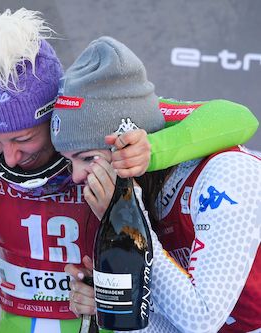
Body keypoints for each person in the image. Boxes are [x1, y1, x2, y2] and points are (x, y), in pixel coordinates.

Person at [0, 9, 258, 333]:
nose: (9, 157)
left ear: (53, 115)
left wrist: (150, 153)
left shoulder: (99, 118)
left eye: (23, 140)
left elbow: (236, 118)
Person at [51, 36, 260, 333]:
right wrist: (116, 303)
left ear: (129, 142)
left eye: (86, 157)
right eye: (69, 161)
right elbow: (170, 328)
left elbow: (200, 319)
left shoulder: (226, 174)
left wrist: (128, 225)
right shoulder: (139, 189)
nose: (76, 176)